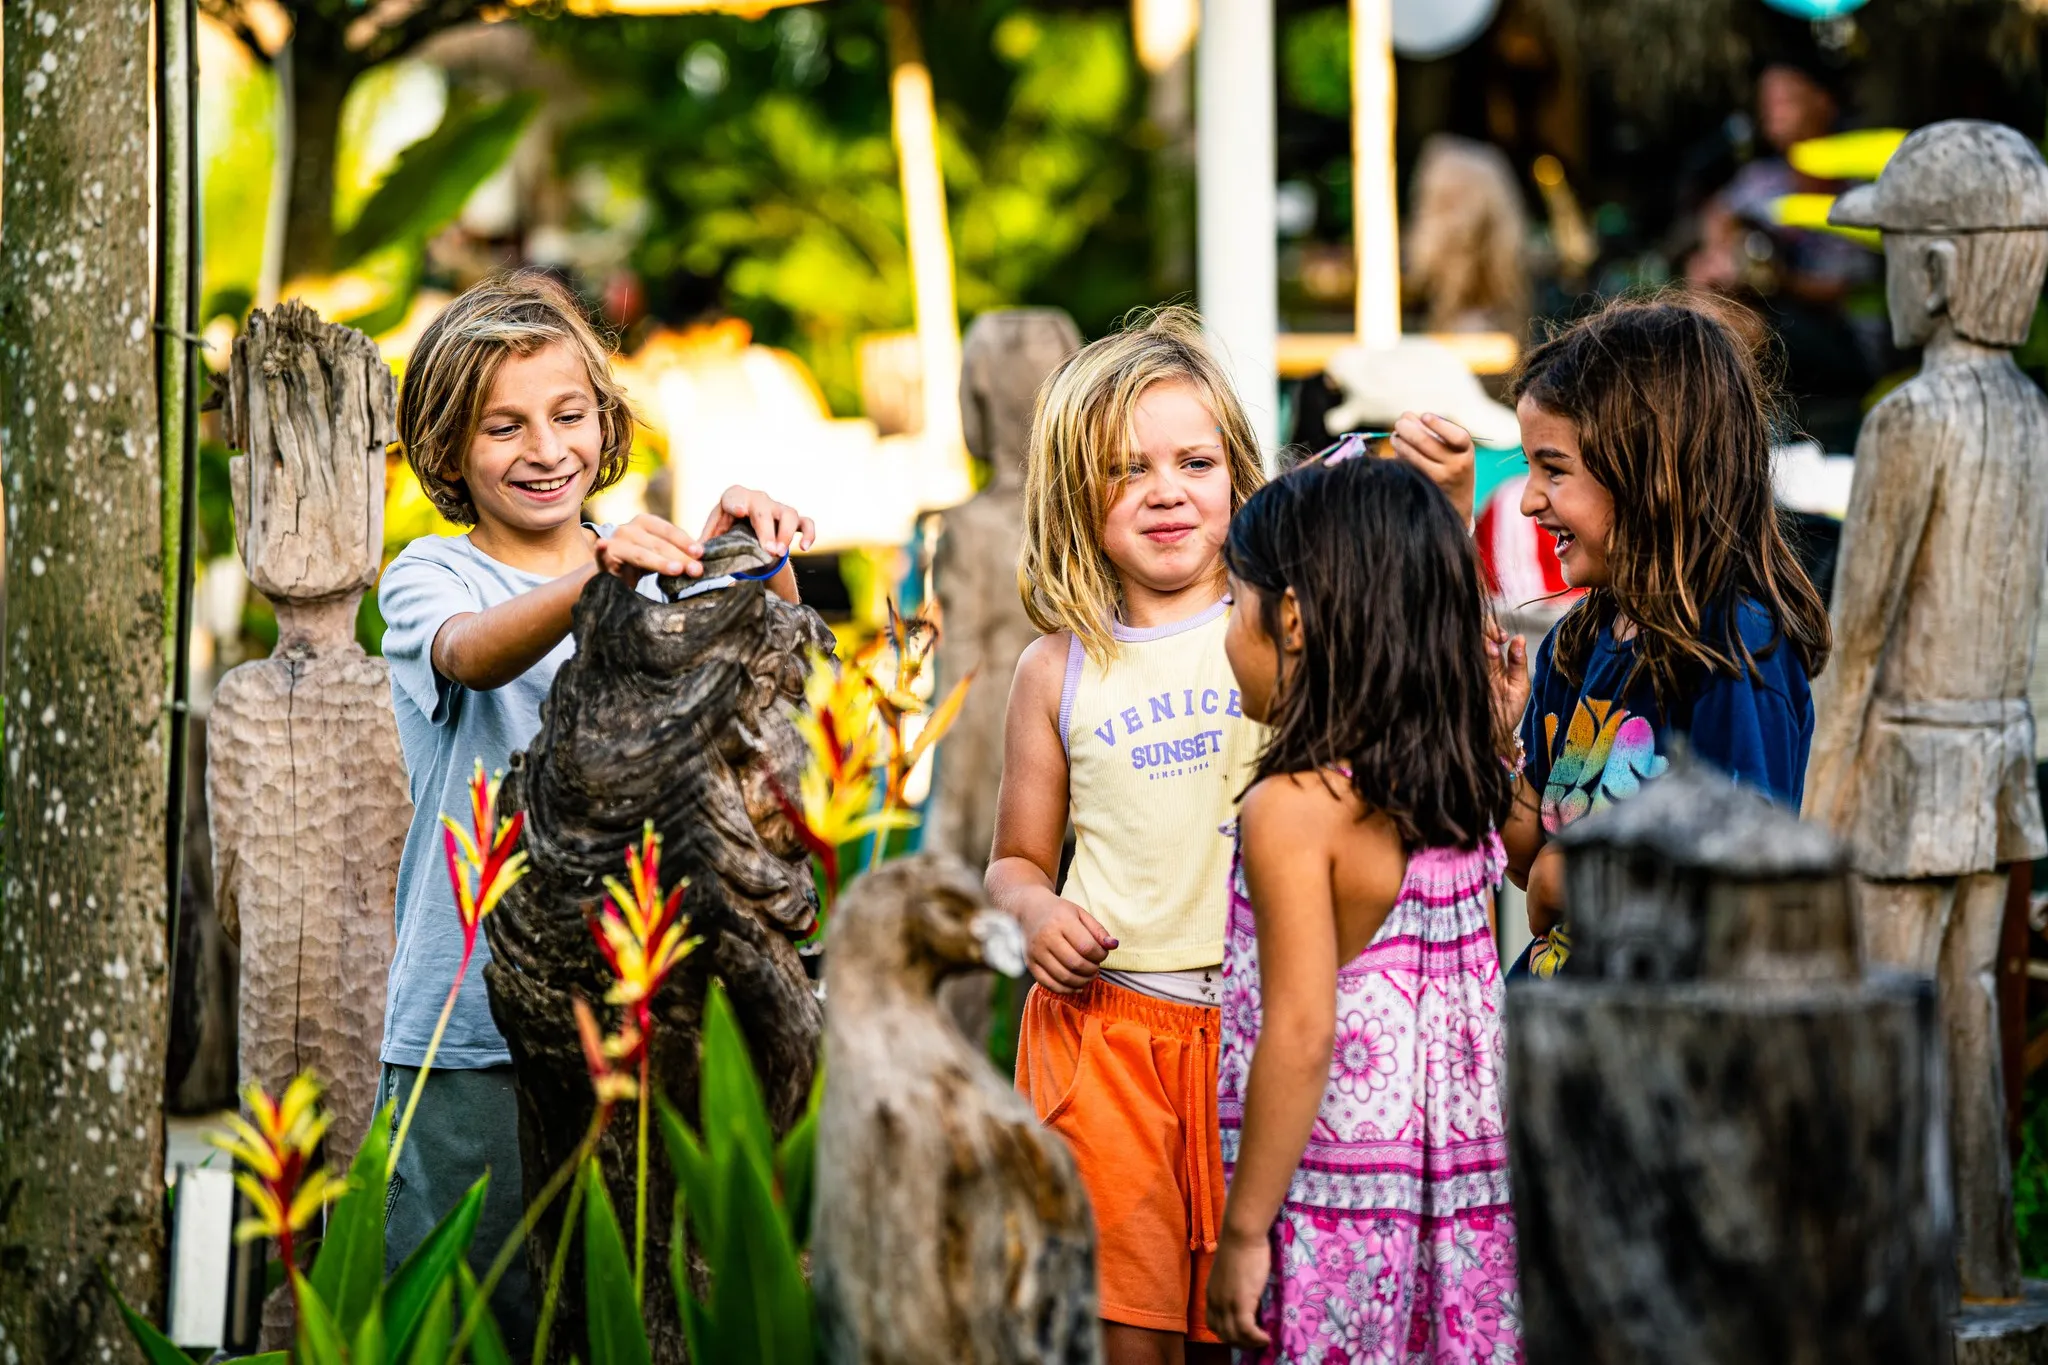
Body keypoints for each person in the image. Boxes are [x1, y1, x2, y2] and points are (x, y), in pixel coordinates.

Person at [989, 306, 1476, 1365]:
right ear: (1076, 494)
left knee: (1255, 1317)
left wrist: (1439, 508)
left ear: (1240, 473)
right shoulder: (1056, 669)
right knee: (1129, 1325)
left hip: (1268, 1032)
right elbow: (1016, 856)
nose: (1165, 490)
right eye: (1127, 469)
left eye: (1194, 460)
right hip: (1114, 1035)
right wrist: (1032, 910)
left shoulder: (1287, 625)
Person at [376, 271, 813, 1344]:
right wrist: (598, 581)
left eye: (569, 415)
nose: (544, 448)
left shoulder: (645, 569)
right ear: (446, 449)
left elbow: (767, 688)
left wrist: (754, 559)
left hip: (633, 1007)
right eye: (503, 427)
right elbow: (472, 657)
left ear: (606, 423)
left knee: (619, 1305)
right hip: (467, 1022)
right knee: (473, 1311)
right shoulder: (432, 575)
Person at [1204, 452, 1523, 1364]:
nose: (1227, 630)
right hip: (1461, 1231)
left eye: (1235, 603)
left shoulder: (1294, 808)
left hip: (1335, 1227)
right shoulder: (1462, 783)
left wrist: (1243, 1231)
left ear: (1293, 618)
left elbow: (1303, 1031)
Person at [1504, 295, 1832, 977]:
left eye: (1554, 468)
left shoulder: (1735, 651)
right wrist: (1490, 738)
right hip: (1559, 1033)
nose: (1531, 497)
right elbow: (1525, 859)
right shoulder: (1579, 642)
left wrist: (1571, 880)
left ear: (1652, 471)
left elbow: (1747, 886)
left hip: (1657, 1052)